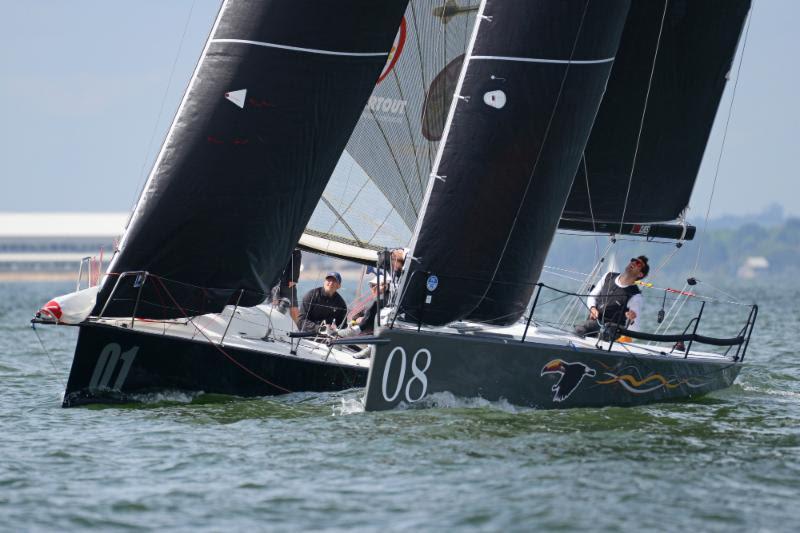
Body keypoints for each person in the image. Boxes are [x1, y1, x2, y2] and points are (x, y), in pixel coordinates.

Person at [574, 256, 649, 339]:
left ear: (640, 274)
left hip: (614, 329)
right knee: (579, 329)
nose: (634, 263)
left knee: (604, 335)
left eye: (638, 263)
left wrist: (631, 319)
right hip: (595, 322)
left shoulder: (635, 296)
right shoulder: (608, 276)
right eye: (633, 260)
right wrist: (592, 308)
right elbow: (593, 296)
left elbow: (635, 329)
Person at [335, 275, 386, 358]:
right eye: (371, 286)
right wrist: (356, 319)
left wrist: (361, 323)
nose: (372, 288)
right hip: (365, 337)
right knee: (341, 333)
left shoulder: (381, 302)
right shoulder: (374, 302)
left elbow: (370, 321)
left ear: (383, 287)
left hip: (373, 340)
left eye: (373, 285)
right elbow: (358, 315)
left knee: (338, 335)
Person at [272, 248, 301, 323]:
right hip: (272, 279)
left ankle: (299, 330)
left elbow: (297, 252)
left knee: (293, 309)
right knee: (273, 304)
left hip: (287, 282)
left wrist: (293, 279)